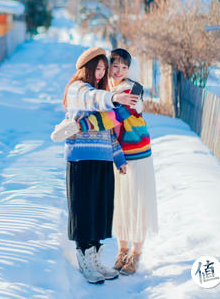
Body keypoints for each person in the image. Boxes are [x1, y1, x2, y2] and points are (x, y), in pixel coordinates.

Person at [50, 47, 139, 284]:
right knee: (84, 210)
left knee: (100, 210)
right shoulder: (77, 90)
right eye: (97, 69)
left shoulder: (101, 95)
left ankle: (95, 257)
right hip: (81, 159)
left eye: (103, 69)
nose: (100, 74)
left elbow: (109, 132)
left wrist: (119, 158)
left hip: (102, 159)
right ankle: (84, 258)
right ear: (86, 69)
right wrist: (113, 97)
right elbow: (93, 98)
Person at [107, 48, 159, 275]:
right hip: (118, 154)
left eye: (123, 67)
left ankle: (136, 254)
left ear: (130, 69)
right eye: (114, 66)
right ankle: (122, 250)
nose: (118, 71)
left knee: (137, 204)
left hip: (137, 155)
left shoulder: (133, 89)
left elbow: (116, 115)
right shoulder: (108, 90)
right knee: (120, 203)